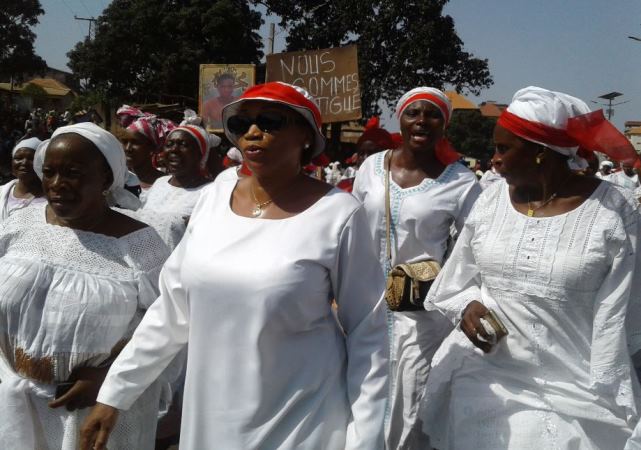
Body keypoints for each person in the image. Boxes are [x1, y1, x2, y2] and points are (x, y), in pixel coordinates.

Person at [80, 81, 388, 450]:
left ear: (306, 135)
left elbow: (368, 333)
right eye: (242, 125)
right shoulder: (212, 200)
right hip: (211, 414)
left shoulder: (338, 214)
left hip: (303, 418)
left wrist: (365, 438)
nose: (253, 132)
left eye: (270, 121)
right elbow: (172, 311)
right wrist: (115, 394)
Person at [421, 86, 641, 449]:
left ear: (540, 151)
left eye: (503, 148)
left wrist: (606, 381)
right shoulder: (490, 200)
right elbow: (458, 278)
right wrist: (468, 305)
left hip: (578, 386)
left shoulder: (613, 211)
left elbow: (623, 312)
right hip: (485, 377)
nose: (494, 160)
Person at [0, 122, 171, 449]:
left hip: (96, 413)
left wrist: (110, 376)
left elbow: (170, 329)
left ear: (105, 179)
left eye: (73, 173)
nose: (57, 184)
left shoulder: (142, 246)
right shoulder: (19, 225)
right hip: (14, 406)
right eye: (49, 172)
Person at [352, 87, 481, 449]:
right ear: (401, 119)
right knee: (361, 392)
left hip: (421, 313)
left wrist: (456, 292)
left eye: (433, 114)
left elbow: (473, 248)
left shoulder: (460, 182)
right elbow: (350, 226)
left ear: (444, 124)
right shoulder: (371, 167)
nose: (422, 121)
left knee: (411, 399)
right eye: (413, 113)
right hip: (363, 305)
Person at [141, 111, 219, 217]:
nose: (174, 149)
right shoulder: (160, 182)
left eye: (184, 145)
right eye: (169, 144)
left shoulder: (210, 192)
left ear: (201, 154)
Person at [117, 105, 176, 202]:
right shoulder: (116, 180)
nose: (127, 148)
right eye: (124, 142)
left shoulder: (168, 184)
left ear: (152, 148)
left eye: (135, 142)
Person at [0, 137, 46, 220]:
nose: (24, 163)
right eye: (19, 158)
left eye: (31, 158)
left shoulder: (49, 200)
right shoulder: (2, 192)